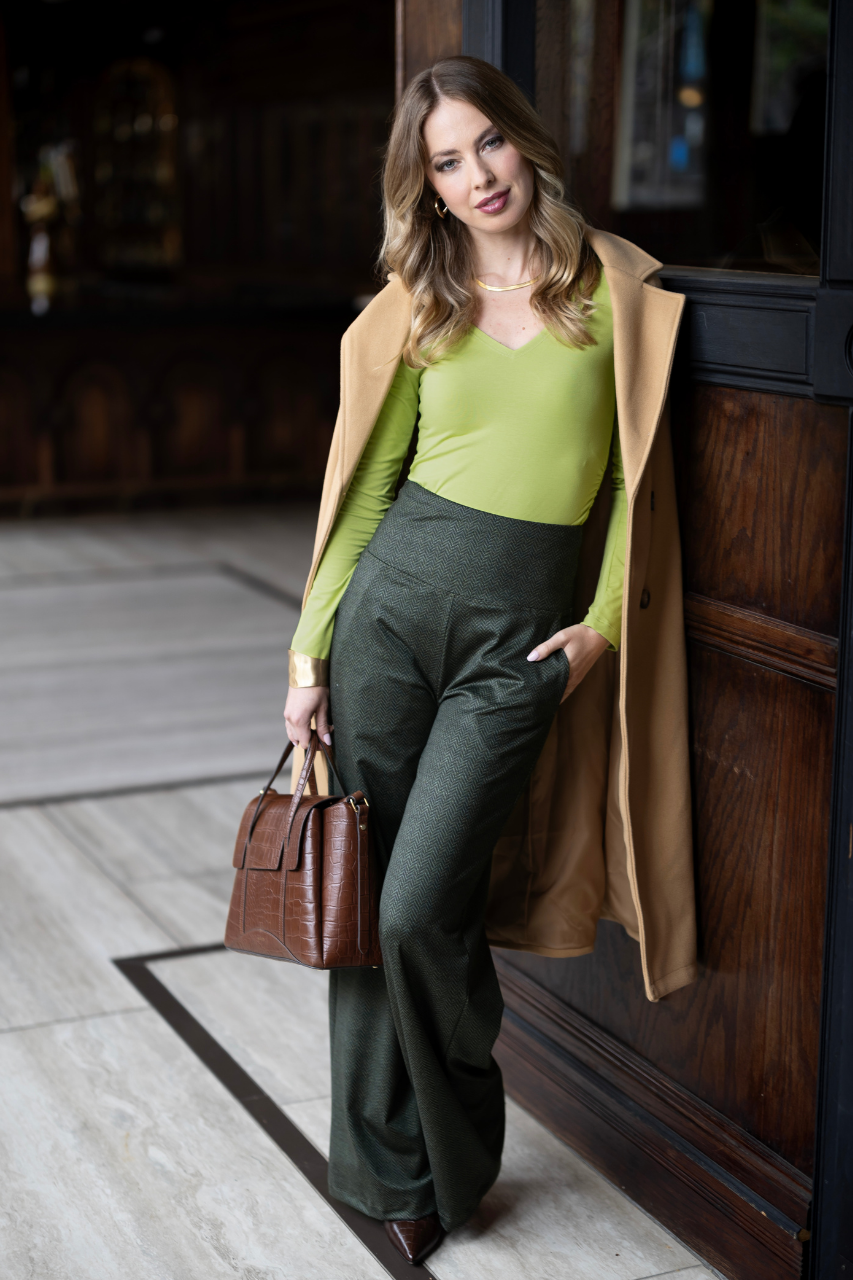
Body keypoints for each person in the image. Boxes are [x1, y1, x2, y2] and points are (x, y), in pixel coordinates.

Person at [284, 56, 696, 1267]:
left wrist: (602, 627)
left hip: (517, 646)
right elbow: (363, 496)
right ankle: (388, 1166)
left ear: (526, 143)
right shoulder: (419, 301)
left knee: (422, 908)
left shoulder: (618, 288)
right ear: (427, 189)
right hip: (387, 620)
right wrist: (308, 650)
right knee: (372, 904)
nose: (476, 179)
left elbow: (632, 490)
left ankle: (455, 1141)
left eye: (488, 148)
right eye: (446, 165)